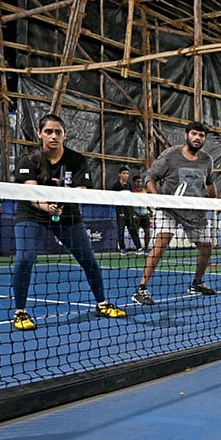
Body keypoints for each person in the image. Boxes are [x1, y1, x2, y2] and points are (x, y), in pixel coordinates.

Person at [10, 113, 126, 331]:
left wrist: (63, 199)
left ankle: (102, 303)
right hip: (32, 214)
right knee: (25, 258)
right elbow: (29, 191)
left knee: (89, 260)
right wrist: (47, 206)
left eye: (58, 132)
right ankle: (20, 312)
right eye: (48, 132)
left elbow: (81, 190)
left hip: (68, 215)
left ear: (64, 134)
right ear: (40, 134)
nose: (53, 136)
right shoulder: (30, 159)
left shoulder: (76, 160)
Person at [131, 121, 217, 305]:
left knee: (206, 248)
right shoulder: (171, 155)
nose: (198, 138)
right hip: (169, 209)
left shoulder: (207, 160)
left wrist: (214, 202)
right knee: (161, 242)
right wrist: (157, 199)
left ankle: (197, 283)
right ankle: (142, 289)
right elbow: (150, 177)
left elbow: (209, 183)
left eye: (201, 135)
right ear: (186, 136)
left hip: (195, 212)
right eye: (194, 134)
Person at [110, 166, 145, 255]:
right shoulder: (116, 186)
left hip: (129, 211)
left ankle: (139, 248)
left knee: (133, 230)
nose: (126, 175)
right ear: (119, 174)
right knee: (121, 231)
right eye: (124, 173)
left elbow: (131, 199)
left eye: (127, 173)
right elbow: (113, 198)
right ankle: (122, 249)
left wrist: (132, 212)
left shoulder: (129, 185)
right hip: (120, 211)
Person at [130, 175, 152, 248]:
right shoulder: (131, 192)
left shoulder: (144, 191)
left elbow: (147, 202)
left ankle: (146, 248)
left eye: (140, 182)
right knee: (136, 233)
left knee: (147, 232)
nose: (139, 183)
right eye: (137, 182)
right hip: (136, 215)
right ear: (134, 182)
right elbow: (129, 204)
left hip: (145, 215)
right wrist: (133, 213)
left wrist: (150, 211)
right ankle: (138, 248)